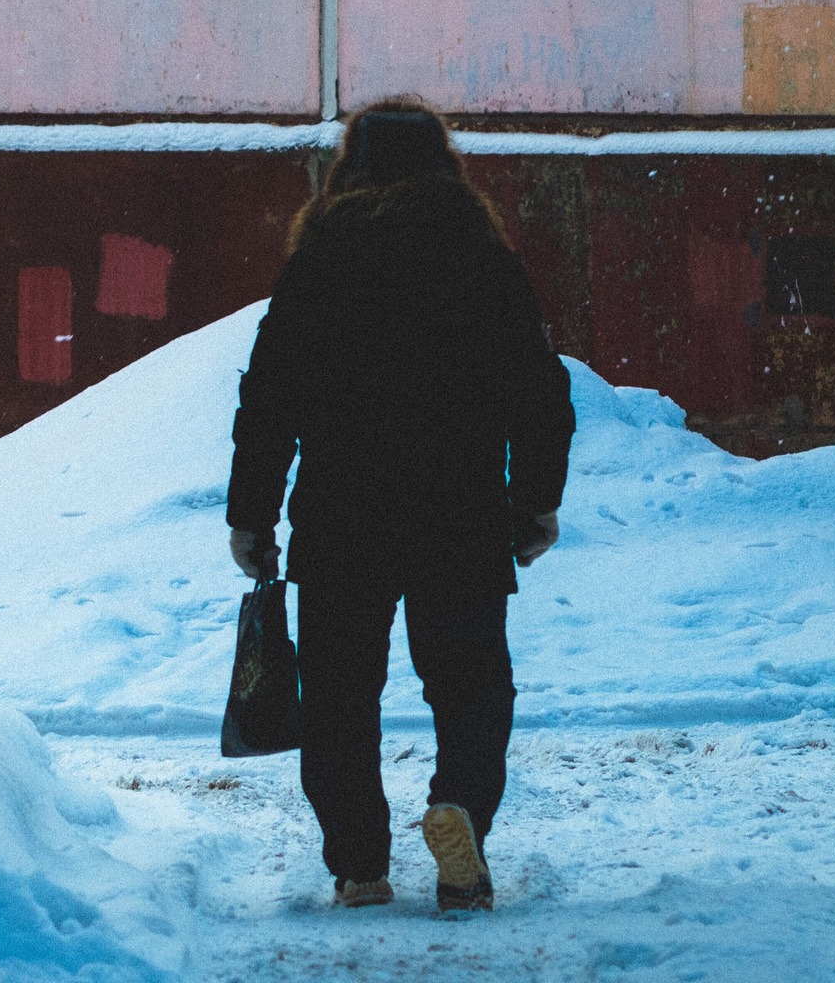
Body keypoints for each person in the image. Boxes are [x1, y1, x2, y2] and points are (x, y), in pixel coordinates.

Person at [225, 99, 574, 915]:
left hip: (343, 514)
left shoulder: (321, 260)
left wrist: (253, 513)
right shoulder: (483, 258)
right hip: (460, 510)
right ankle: (460, 819)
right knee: (471, 684)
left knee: (342, 694)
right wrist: (535, 502)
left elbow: (269, 397)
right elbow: (539, 389)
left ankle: (359, 864)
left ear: (353, 167)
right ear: (444, 167)